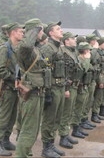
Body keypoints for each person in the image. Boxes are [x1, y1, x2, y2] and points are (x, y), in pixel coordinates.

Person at [15, 18, 48, 157]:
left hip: (37, 93)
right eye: (40, 30)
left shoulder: (34, 48)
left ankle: (26, 154)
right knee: (28, 131)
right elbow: (26, 46)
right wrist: (34, 29)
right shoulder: (25, 47)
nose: (42, 33)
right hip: (31, 94)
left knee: (32, 130)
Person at [0, 23, 24, 156]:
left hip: (14, 89)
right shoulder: (4, 49)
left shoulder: (16, 48)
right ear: (13, 33)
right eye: (20, 32)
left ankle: (6, 140)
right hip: (5, 89)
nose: (23, 34)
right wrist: (13, 78)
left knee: (12, 117)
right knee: (3, 117)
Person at [40, 21, 66, 157]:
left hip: (60, 87)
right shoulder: (47, 48)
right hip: (53, 88)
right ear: (50, 33)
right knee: (49, 119)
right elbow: (45, 71)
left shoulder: (59, 47)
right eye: (58, 29)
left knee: (57, 118)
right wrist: (48, 92)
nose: (61, 30)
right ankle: (46, 148)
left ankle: (51, 143)